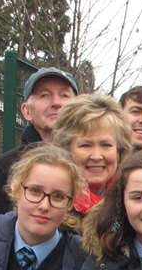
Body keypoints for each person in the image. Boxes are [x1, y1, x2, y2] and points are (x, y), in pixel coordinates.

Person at [0, 68, 79, 214]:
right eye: (45, 95)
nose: (56, 103)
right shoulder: (1, 171)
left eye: (64, 95)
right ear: (26, 111)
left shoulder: (94, 164)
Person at [53, 94, 131, 232]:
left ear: (119, 151)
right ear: (66, 150)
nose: (96, 156)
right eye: (85, 145)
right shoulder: (49, 205)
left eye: (106, 145)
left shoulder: (133, 203)